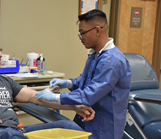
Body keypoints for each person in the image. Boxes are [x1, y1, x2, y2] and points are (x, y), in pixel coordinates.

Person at [0, 34, 95, 139]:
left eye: (0, 50)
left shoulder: (4, 81)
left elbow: (37, 97)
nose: (0, 55)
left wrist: (74, 107)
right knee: (7, 135)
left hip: (17, 131)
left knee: (68, 126)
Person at [35, 9, 131, 139]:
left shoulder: (113, 61)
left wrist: (55, 97)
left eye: (82, 33)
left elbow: (90, 94)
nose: (81, 38)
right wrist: (68, 83)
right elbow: (85, 82)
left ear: (98, 30)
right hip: (87, 118)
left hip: (105, 125)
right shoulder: (96, 54)